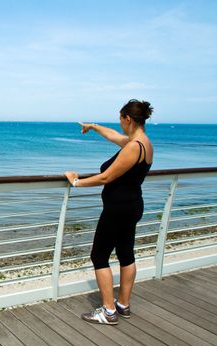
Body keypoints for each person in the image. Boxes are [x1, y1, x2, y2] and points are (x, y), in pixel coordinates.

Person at [64, 99, 154, 325]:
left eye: (121, 120)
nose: (120, 125)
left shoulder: (134, 147)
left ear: (128, 119)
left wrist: (76, 182)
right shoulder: (144, 143)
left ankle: (108, 311)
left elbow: (106, 177)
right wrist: (93, 127)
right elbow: (113, 135)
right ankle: (123, 305)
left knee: (99, 256)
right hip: (132, 205)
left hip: (118, 209)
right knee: (126, 254)